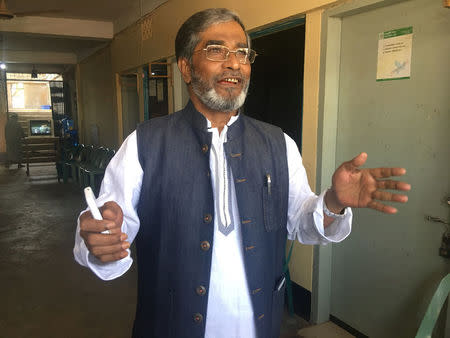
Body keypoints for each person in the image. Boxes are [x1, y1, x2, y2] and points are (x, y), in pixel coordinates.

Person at [74, 8, 410, 338]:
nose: (234, 62)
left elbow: (303, 223)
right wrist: (99, 243)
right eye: (217, 50)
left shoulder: (278, 143)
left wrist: (334, 201)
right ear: (186, 67)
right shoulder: (144, 144)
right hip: (170, 325)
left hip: (258, 325)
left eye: (243, 52)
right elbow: (110, 230)